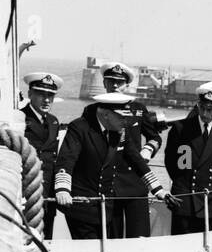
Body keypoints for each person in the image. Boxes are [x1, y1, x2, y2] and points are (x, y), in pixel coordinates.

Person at [54, 91, 169, 240]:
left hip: (104, 207)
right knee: (90, 250)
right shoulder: (80, 127)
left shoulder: (119, 131)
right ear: (106, 115)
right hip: (82, 205)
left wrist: (158, 190)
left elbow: (136, 160)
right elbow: (66, 160)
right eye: (122, 117)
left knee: (105, 249)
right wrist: (62, 189)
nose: (126, 122)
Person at [100, 61, 164, 237]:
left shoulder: (138, 109)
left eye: (119, 82)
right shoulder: (95, 110)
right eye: (111, 81)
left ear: (126, 85)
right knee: (111, 236)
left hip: (136, 180)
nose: (114, 85)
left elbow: (155, 137)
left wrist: (147, 151)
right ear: (104, 83)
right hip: (109, 181)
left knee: (139, 234)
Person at [164, 84, 212, 236]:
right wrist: (181, 183)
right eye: (202, 108)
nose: (205, 113)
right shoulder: (180, 128)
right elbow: (170, 160)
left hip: (210, 198)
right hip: (185, 197)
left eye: (210, 110)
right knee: (181, 245)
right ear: (198, 106)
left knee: (209, 245)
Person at [20, 70, 62, 239]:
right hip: (28, 191)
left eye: (50, 95)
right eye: (41, 94)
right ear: (30, 94)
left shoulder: (53, 121)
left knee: (47, 239)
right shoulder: (20, 119)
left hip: (47, 193)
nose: (46, 100)